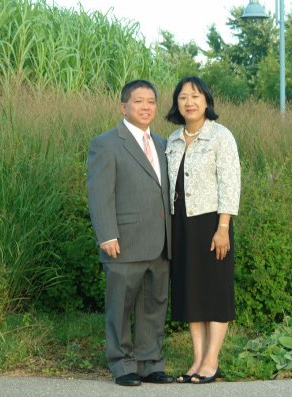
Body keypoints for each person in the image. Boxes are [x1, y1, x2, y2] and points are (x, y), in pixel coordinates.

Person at [87, 80, 174, 387]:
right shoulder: (107, 143)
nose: (146, 107)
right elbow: (100, 193)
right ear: (124, 106)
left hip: (161, 241)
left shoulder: (165, 144)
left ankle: (150, 362)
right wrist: (107, 234)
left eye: (151, 101)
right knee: (121, 305)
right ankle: (122, 364)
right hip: (123, 241)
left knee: (154, 305)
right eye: (139, 101)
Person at [165, 76, 241, 384]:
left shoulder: (221, 136)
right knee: (190, 292)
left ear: (206, 101)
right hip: (181, 223)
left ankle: (212, 361)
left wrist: (223, 227)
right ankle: (197, 360)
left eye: (195, 96)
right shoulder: (172, 139)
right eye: (183, 97)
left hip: (211, 223)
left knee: (214, 291)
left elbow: (230, 183)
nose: (189, 102)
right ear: (177, 104)